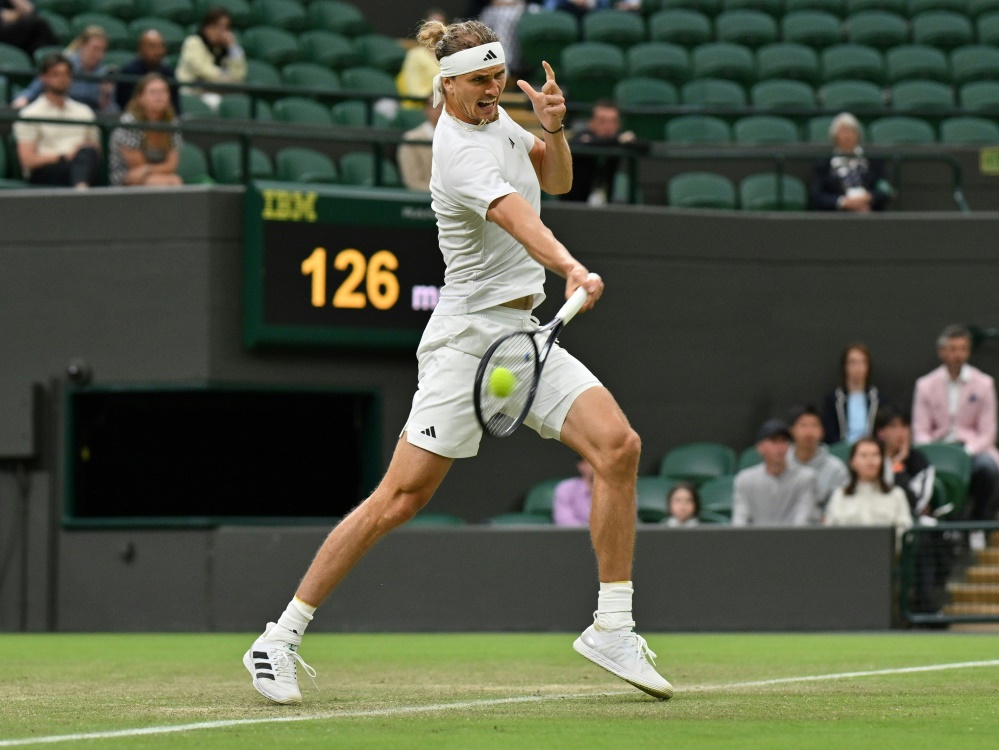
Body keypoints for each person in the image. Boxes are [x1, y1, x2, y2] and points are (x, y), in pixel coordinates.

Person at [242, 17, 673, 706]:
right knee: (399, 500)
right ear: (446, 84)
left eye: (498, 76)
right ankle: (278, 637)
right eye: (479, 80)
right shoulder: (455, 149)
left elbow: (553, 182)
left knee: (617, 448)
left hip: (523, 335)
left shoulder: (501, 122)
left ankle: (611, 627)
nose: (493, 89)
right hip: (467, 343)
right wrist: (569, 265)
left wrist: (555, 130)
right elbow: (515, 216)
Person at [912, 324, 999, 521]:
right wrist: (937, 450)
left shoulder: (984, 384)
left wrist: (966, 451)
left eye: (962, 349)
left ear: (968, 351)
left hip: (973, 452)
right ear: (942, 352)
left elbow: (988, 432)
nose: (957, 355)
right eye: (952, 349)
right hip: (937, 451)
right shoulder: (925, 385)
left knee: (988, 468)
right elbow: (920, 430)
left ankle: (979, 524)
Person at [13, 53, 101, 188]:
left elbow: (96, 150)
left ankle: (80, 188)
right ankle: (82, 192)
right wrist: (64, 156)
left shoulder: (84, 112)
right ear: (43, 78)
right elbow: (28, 160)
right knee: (79, 163)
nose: (62, 79)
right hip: (47, 171)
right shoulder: (29, 114)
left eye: (66, 74)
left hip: (82, 164)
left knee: (87, 154)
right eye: (56, 74)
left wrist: (80, 151)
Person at [824, 437, 913, 544]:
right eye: (864, 455)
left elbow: (906, 534)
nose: (870, 460)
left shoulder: (896, 495)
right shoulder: (840, 496)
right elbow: (829, 534)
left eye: (875, 455)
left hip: (885, 555)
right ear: (853, 462)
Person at [732, 419, 818, 526]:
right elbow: (739, 520)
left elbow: (803, 520)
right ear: (760, 447)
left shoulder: (806, 478)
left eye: (784, 441)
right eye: (774, 441)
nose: (780, 447)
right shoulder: (745, 480)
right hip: (755, 541)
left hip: (794, 540)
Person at [12, 25, 116, 114]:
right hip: (57, 112)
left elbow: (110, 112)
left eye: (103, 50)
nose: (99, 55)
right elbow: (34, 89)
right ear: (82, 45)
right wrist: (23, 100)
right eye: (95, 49)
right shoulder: (63, 65)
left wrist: (105, 96)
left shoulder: (104, 73)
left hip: (87, 119)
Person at [563, 99, 649, 205]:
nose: (608, 126)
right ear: (591, 121)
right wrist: (617, 140)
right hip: (574, 202)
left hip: (610, 203)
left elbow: (645, 145)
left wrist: (622, 141)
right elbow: (578, 144)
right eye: (602, 121)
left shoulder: (620, 139)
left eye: (613, 121)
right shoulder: (582, 135)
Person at [108, 73, 182, 187]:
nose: (159, 96)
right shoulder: (129, 123)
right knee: (168, 183)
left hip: (158, 175)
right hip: (126, 178)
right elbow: (137, 167)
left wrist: (148, 168)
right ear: (140, 98)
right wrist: (155, 170)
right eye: (153, 92)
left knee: (174, 181)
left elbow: (172, 165)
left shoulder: (172, 123)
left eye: (163, 91)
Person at [810, 112, 891, 212]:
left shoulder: (874, 160)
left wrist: (868, 198)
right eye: (843, 132)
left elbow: (884, 190)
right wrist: (843, 202)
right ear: (835, 136)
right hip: (837, 217)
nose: (847, 136)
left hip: (870, 212)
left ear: (857, 135)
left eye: (851, 131)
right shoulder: (823, 163)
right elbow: (818, 196)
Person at [175, 7, 246, 110]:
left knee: (238, 104)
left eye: (226, 28)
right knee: (215, 101)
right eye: (217, 26)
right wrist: (227, 78)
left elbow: (239, 75)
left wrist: (232, 47)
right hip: (192, 93)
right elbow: (202, 70)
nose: (222, 32)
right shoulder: (193, 42)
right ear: (206, 27)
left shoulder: (225, 49)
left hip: (219, 92)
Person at [785, 405, 849, 517]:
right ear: (791, 430)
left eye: (814, 425)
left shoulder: (836, 468)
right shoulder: (781, 464)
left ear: (822, 431)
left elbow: (843, 505)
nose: (809, 432)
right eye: (803, 425)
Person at [875, 406, 936, 519]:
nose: (900, 432)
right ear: (880, 432)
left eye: (904, 426)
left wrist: (897, 465)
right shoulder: (873, 458)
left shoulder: (919, 461)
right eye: (893, 426)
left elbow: (916, 504)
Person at [822, 342, 885, 445]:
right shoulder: (833, 399)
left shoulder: (879, 399)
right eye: (853, 362)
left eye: (862, 362)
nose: (858, 367)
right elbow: (830, 434)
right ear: (844, 366)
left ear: (868, 366)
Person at [115, 30, 180, 114]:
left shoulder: (169, 74)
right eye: (152, 46)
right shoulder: (128, 72)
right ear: (141, 49)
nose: (157, 51)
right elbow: (121, 106)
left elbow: (176, 109)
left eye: (160, 46)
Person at [397, 8, 445, 109]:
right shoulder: (415, 55)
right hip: (421, 107)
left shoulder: (450, 55)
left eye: (441, 24)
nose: (436, 30)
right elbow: (414, 90)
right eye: (431, 25)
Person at [397, 96, 442, 191]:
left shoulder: (465, 138)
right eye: (436, 105)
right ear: (425, 109)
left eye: (445, 106)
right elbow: (413, 182)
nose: (441, 109)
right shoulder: (411, 139)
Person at [552, 458, 594, 527]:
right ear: (582, 466)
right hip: (575, 537)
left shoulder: (616, 490)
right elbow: (565, 523)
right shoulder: (566, 488)